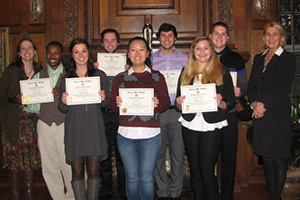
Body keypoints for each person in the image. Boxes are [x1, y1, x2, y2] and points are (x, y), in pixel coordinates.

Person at [109, 37, 170, 200]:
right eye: (133, 50)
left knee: (146, 178)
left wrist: (157, 104)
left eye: (141, 49)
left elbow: (166, 103)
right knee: (132, 178)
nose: (137, 53)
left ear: (147, 53)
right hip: (126, 136)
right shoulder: (120, 78)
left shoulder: (157, 77)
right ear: (128, 54)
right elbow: (112, 107)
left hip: (151, 136)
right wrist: (118, 103)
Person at [176, 36, 235, 200]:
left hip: (212, 125)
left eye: (206, 48)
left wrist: (220, 102)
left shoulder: (222, 71)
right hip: (190, 124)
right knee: (195, 171)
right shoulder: (186, 72)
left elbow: (230, 102)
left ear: (211, 51)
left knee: (207, 171)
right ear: (193, 51)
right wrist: (179, 103)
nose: (202, 52)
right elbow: (178, 103)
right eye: (198, 48)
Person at [248, 21, 295, 200]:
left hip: (277, 114)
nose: (271, 37)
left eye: (275, 34)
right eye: (268, 34)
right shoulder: (259, 58)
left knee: (278, 158)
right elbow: (252, 85)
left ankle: (276, 197)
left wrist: (262, 105)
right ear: (264, 37)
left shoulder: (288, 58)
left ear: (281, 37)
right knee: (267, 157)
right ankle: (272, 195)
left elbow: (283, 87)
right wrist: (254, 104)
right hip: (260, 115)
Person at [58, 38, 109, 200]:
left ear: (89, 53)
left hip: (94, 128)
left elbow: (106, 104)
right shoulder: (66, 78)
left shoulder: (100, 75)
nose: (81, 55)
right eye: (76, 52)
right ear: (72, 55)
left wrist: (102, 98)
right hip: (75, 129)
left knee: (94, 171)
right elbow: (62, 108)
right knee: (77, 172)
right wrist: (64, 101)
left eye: (84, 51)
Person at [25, 41, 75, 200]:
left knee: (68, 165)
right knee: (49, 166)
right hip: (44, 124)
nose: (52, 56)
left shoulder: (70, 75)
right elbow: (34, 108)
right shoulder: (38, 76)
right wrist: (26, 101)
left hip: (64, 124)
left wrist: (64, 93)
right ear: (45, 54)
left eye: (56, 53)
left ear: (62, 55)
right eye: (49, 53)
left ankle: (72, 197)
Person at [209, 21, 248, 200]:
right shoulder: (202, 57)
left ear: (228, 38)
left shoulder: (236, 59)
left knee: (228, 158)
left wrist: (240, 91)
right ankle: (210, 194)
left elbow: (244, 86)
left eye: (223, 34)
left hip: (229, 115)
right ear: (210, 36)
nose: (219, 37)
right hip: (207, 116)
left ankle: (227, 195)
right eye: (216, 33)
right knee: (207, 159)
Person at [0, 38, 42, 200]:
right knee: (15, 163)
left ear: (34, 51)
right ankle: (15, 195)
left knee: (30, 161)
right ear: (18, 52)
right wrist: (14, 101)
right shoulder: (11, 71)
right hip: (15, 124)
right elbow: (1, 97)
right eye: (23, 48)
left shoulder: (40, 71)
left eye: (29, 48)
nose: (26, 51)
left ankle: (30, 194)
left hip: (33, 124)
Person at [152, 23, 187, 200]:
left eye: (170, 35)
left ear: (175, 38)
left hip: (178, 112)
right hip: (157, 113)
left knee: (177, 153)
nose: (166, 39)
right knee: (157, 155)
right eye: (163, 35)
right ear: (159, 38)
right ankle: (162, 190)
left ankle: (175, 191)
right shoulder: (149, 59)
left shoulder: (186, 59)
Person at [99, 28, 126, 200]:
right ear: (102, 44)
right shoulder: (93, 66)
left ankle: (124, 192)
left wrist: (128, 71)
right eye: (106, 41)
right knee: (104, 157)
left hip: (120, 116)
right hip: (101, 115)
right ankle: (107, 192)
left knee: (122, 156)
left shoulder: (128, 66)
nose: (110, 44)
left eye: (113, 40)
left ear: (118, 43)